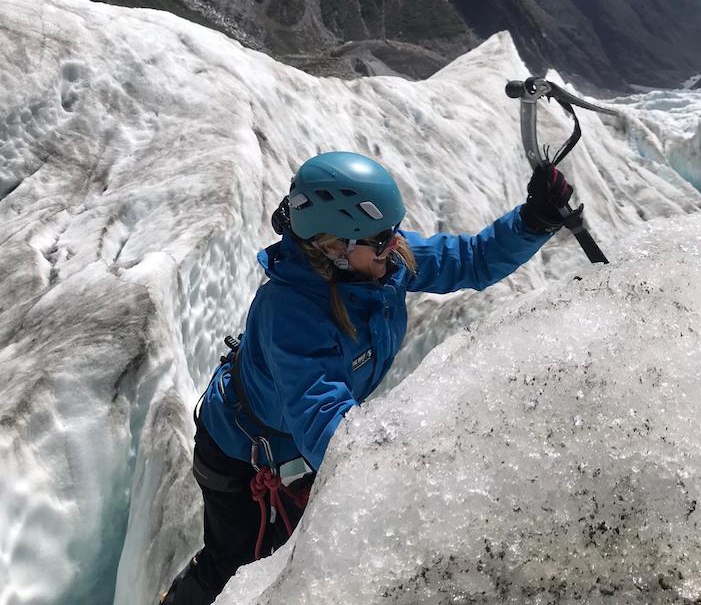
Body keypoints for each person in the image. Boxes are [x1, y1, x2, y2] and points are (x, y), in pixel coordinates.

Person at [160, 151, 575, 604]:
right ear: (332, 246)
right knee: (235, 566)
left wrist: (534, 220)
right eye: (379, 239)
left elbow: (468, 260)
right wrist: (402, 473)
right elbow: (322, 417)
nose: (394, 245)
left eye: (392, 233)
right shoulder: (290, 312)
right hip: (241, 455)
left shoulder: (378, 262)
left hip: (292, 447)